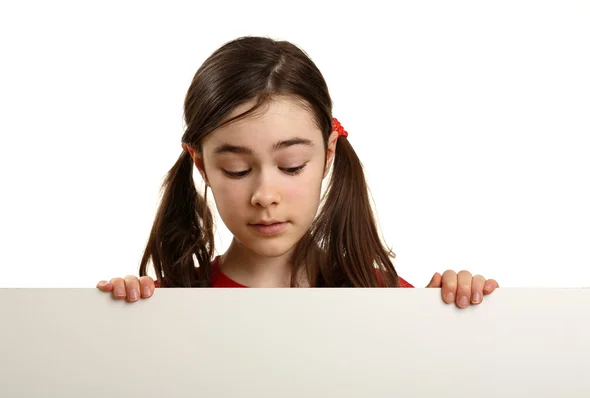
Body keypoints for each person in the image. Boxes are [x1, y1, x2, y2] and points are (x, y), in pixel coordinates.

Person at [97, 36, 499, 308]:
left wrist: (448, 320)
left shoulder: (386, 301)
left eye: (291, 166)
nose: (265, 194)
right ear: (200, 163)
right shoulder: (165, 305)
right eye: (236, 169)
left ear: (327, 154)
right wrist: (116, 321)